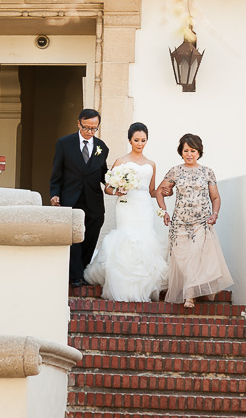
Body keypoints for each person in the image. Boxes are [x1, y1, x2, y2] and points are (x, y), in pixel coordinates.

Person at [84, 122, 168, 301]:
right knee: (127, 238)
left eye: (143, 140)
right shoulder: (121, 162)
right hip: (126, 204)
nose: (140, 143)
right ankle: (122, 285)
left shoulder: (151, 164)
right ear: (130, 140)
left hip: (144, 206)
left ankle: (143, 286)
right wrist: (118, 191)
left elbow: (152, 191)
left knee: (145, 238)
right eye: (136, 140)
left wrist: (165, 190)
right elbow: (108, 188)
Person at [155, 133, 233, 308]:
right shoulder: (175, 171)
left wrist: (215, 215)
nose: (189, 154)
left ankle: (190, 295)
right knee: (183, 258)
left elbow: (216, 197)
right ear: (181, 152)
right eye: (186, 150)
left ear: (199, 152)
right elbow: (159, 191)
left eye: (193, 150)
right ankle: (197, 289)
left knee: (197, 257)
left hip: (201, 222)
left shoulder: (207, 172)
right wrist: (164, 211)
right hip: (180, 223)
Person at [49, 108, 109, 286]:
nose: (90, 132)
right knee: (73, 236)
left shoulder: (101, 147)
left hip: (94, 200)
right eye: (86, 128)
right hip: (70, 197)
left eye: (94, 128)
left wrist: (117, 183)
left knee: (90, 235)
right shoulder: (64, 143)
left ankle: (82, 270)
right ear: (78, 123)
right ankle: (75, 275)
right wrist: (54, 194)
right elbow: (56, 172)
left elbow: (103, 173)